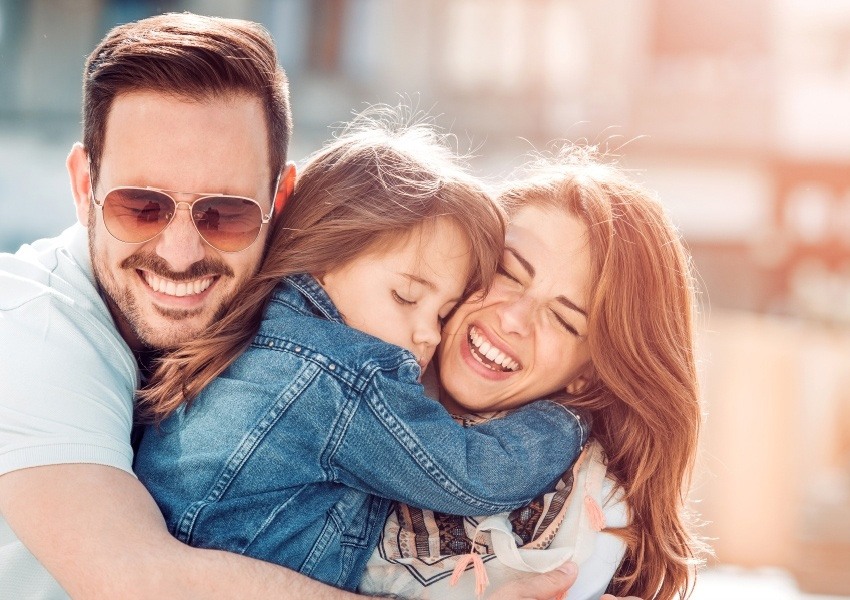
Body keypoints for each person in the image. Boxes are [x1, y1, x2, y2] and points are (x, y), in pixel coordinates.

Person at [0, 12, 582, 600]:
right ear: (82, 188)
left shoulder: (266, 315)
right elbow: (135, 581)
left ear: (280, 202)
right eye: (141, 207)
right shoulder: (28, 332)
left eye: (224, 213)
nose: (180, 253)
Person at [132, 113, 590, 593]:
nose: (428, 336)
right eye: (407, 298)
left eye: (442, 313)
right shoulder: (341, 380)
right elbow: (478, 474)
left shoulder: (255, 330)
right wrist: (569, 417)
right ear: (321, 258)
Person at [359, 147, 708, 599]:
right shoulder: (340, 359)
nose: (513, 319)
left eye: (564, 320)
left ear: (590, 373)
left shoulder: (592, 516)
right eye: (507, 273)